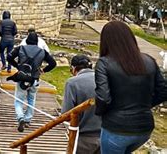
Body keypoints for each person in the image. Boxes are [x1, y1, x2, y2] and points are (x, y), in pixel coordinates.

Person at [95, 21, 167, 154]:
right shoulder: (149, 60)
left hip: (116, 127)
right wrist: (143, 106)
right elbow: (163, 91)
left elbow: (103, 97)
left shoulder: (104, 63)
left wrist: (100, 113)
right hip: (144, 128)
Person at [7, 32, 57, 132]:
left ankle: (20, 117)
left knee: (18, 100)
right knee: (31, 99)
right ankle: (27, 120)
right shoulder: (42, 52)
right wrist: (44, 70)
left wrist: (17, 66)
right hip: (35, 79)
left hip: (22, 78)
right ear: (37, 42)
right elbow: (53, 63)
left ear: (27, 41)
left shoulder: (20, 48)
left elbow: (9, 57)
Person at [62, 55, 101, 154]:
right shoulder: (106, 79)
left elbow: (66, 114)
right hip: (106, 136)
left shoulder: (72, 83)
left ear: (73, 68)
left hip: (82, 138)